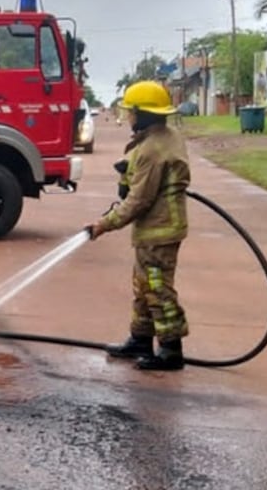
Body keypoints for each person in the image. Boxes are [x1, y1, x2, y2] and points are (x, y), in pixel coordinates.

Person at [87, 81, 190, 371]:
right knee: (144, 284)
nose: (129, 117)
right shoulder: (165, 137)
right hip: (159, 227)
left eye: (131, 112)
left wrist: (104, 224)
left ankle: (171, 350)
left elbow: (138, 201)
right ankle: (141, 339)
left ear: (142, 114)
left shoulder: (152, 150)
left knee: (157, 288)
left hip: (160, 229)